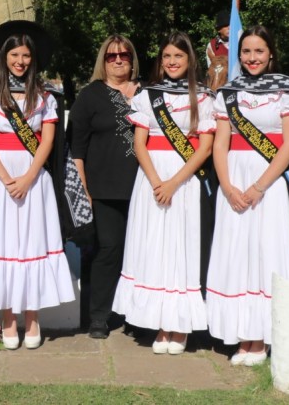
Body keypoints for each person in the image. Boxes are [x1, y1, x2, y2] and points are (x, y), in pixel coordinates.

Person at [206, 25, 289, 366]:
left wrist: (258, 186)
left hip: (271, 184)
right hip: (234, 181)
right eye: (246, 52)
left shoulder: (286, 90)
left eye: (259, 51)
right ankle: (244, 335)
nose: (252, 58)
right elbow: (220, 142)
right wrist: (228, 187)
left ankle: (267, 338)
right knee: (236, 252)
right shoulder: (228, 92)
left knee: (269, 250)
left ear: (271, 53)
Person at [0, 20, 75, 350]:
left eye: (25, 55)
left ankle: (33, 318)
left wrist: (28, 177)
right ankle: (9, 319)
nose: (20, 61)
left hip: (34, 177)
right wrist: (8, 179)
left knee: (33, 243)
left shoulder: (47, 95)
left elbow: (49, 141)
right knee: (6, 243)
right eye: (14, 54)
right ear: (4, 56)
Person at [112, 32, 215, 355]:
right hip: (150, 179)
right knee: (153, 246)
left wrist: (173, 182)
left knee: (180, 247)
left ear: (190, 61)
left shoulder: (204, 98)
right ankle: (159, 322)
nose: (172, 62)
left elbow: (206, 147)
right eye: (167, 56)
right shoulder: (147, 95)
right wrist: (157, 180)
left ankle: (179, 325)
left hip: (184, 180)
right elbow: (139, 143)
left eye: (178, 57)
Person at [68, 34, 141, 339]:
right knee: (108, 250)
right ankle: (99, 316)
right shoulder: (90, 96)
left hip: (145, 189)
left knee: (140, 252)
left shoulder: (148, 94)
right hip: (103, 189)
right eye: (111, 56)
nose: (119, 60)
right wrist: (83, 189)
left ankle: (137, 315)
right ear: (103, 61)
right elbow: (77, 148)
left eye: (124, 54)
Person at [206, 10, 231, 92]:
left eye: (230, 25)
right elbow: (212, 71)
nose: (229, 27)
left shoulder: (240, 43)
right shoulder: (212, 46)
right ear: (219, 30)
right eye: (225, 25)